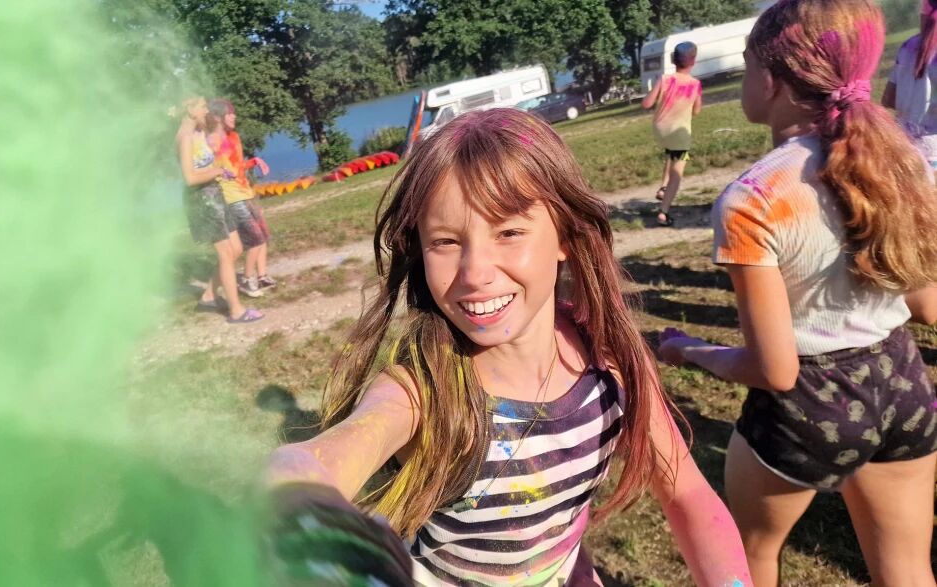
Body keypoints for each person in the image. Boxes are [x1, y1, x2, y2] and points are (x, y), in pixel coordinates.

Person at [265, 108, 752, 586]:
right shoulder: (422, 392)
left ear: (565, 234)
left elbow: (687, 493)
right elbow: (317, 461)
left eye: (509, 232)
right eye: (445, 241)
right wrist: (294, 491)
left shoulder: (613, 359)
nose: (475, 273)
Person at [656, 1, 937, 585]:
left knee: (750, 558)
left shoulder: (753, 198)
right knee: (907, 570)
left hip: (811, 404)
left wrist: (688, 350)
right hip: (903, 383)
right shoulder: (903, 162)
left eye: (746, 65)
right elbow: (927, 307)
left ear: (772, 81)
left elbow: (776, 370)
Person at [175, 97, 262, 323]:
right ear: (190, 110)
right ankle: (236, 311)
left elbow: (214, 141)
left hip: (214, 193)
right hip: (202, 199)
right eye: (202, 106)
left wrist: (220, 168)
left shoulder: (197, 132)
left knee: (236, 248)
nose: (206, 110)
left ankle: (209, 296)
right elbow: (189, 178)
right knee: (225, 253)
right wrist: (217, 171)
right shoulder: (185, 138)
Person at [207, 98, 275, 299]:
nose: (234, 116)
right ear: (218, 117)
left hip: (245, 192)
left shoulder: (234, 137)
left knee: (263, 234)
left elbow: (236, 168)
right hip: (232, 197)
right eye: (230, 113)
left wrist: (253, 161)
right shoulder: (211, 141)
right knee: (255, 239)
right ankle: (246, 279)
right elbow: (212, 170)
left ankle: (262, 276)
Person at [642, 42, 703, 227]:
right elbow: (697, 111)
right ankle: (664, 212)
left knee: (670, 153)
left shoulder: (664, 79)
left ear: (673, 60)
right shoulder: (695, 84)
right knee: (677, 172)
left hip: (660, 130)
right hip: (679, 134)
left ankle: (663, 188)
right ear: (693, 61)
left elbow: (646, 104)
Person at [882, 0, 937, 169]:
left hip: (903, 148)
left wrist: (912, 103)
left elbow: (887, 99)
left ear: (923, 16)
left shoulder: (908, 46)